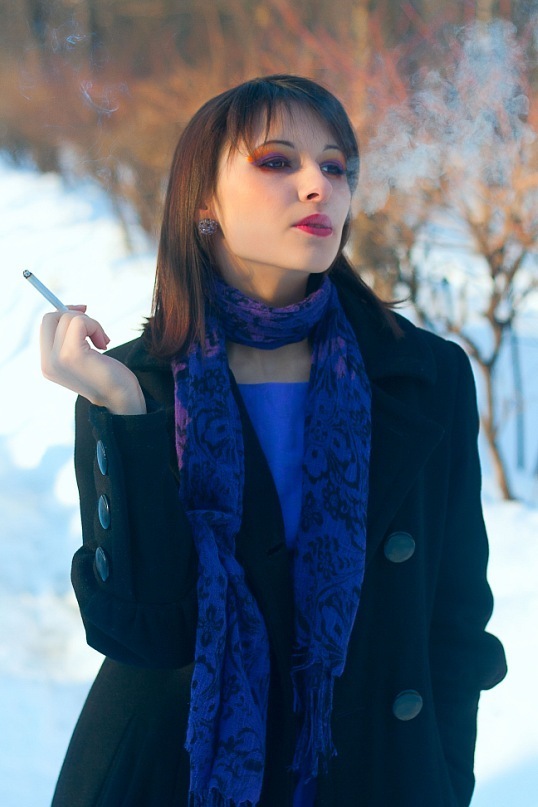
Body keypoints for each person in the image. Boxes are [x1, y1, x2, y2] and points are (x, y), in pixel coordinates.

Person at [41, 75, 506, 807]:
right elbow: (144, 633)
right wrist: (124, 414)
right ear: (203, 202)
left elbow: (455, 625)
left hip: (372, 776)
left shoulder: (423, 377)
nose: (319, 186)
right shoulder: (137, 384)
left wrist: (443, 780)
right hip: (174, 778)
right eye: (277, 161)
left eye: (336, 166)